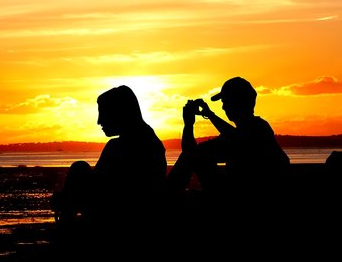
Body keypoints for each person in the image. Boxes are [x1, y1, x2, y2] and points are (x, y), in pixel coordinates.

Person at [167, 77, 290, 259]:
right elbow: (235, 137)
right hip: (257, 207)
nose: (223, 108)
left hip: (243, 210)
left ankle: (166, 198)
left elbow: (192, 153)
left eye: (225, 102)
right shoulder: (259, 129)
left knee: (193, 165)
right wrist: (210, 114)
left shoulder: (254, 132)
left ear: (235, 103)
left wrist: (188, 125)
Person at [51, 85, 167, 259]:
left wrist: (68, 197)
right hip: (128, 212)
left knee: (79, 168)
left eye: (103, 113)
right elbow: (98, 185)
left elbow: (105, 189)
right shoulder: (142, 141)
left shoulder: (124, 146)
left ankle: (66, 238)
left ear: (119, 111)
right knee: (79, 170)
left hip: (126, 217)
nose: (99, 121)